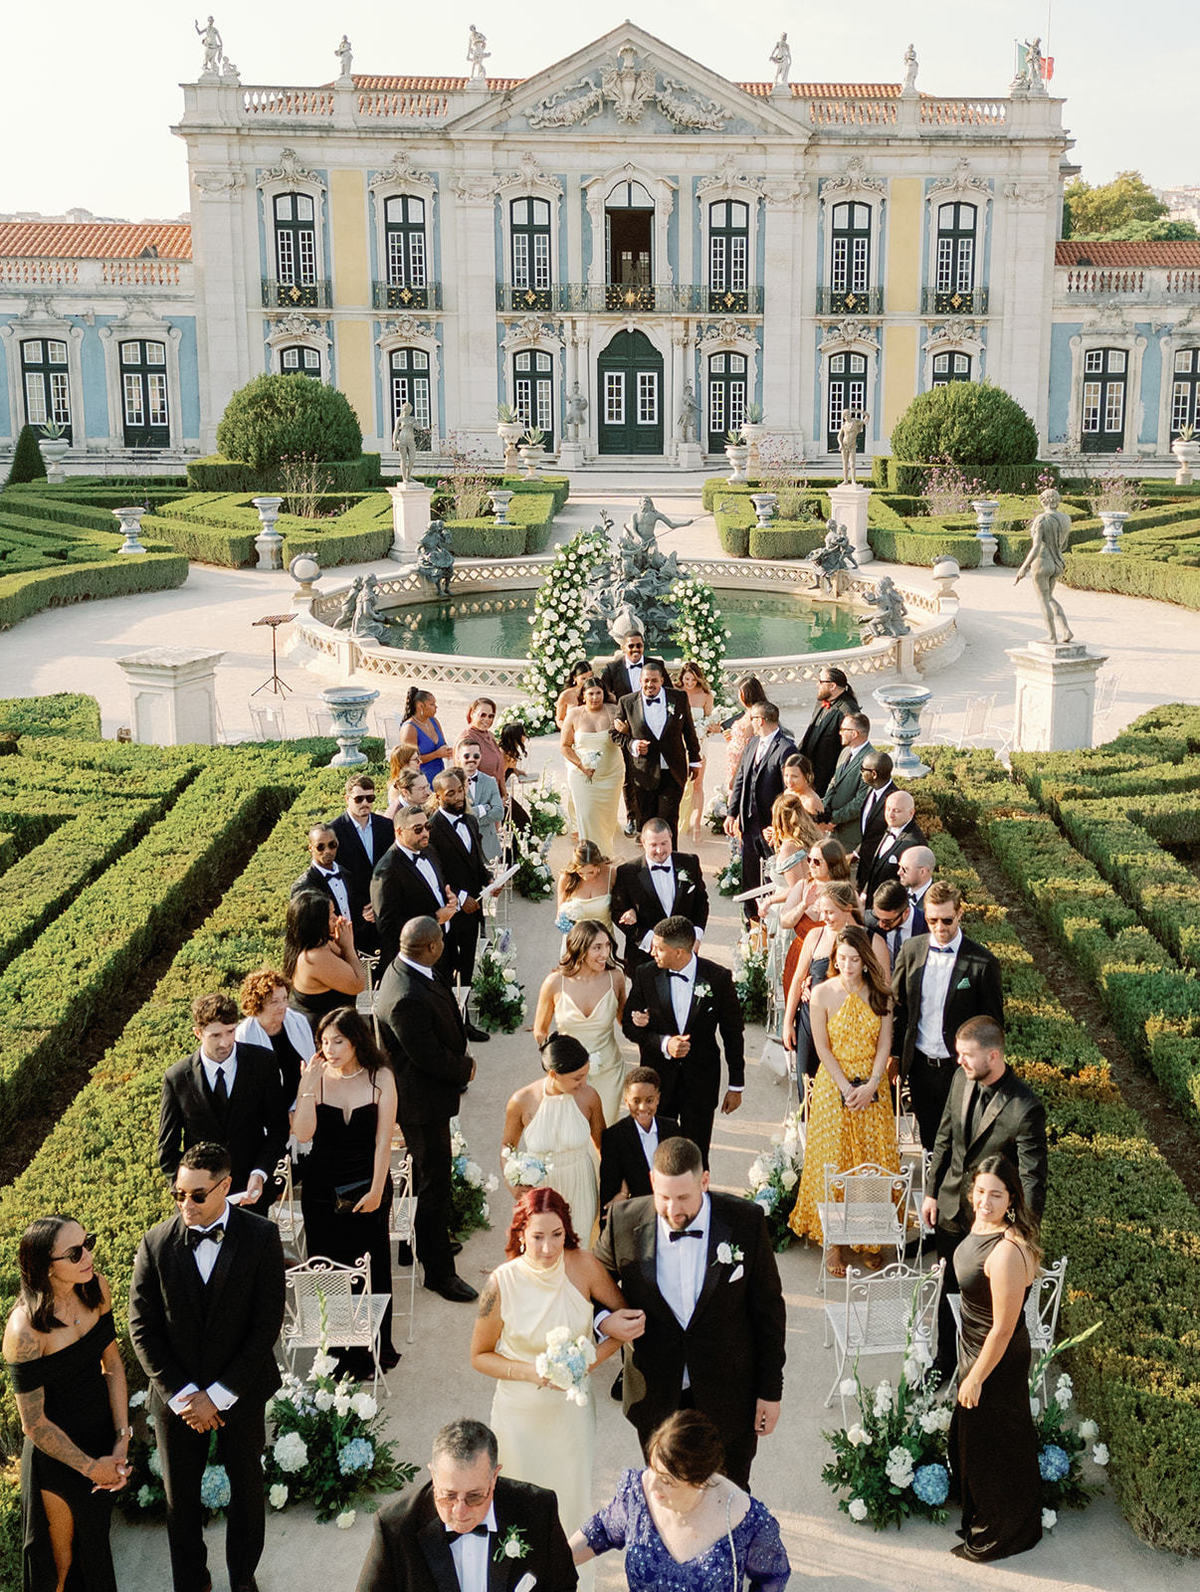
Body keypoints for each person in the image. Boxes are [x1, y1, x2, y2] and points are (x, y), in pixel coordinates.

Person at [129, 1141, 286, 1592]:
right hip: (176, 1399)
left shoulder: (261, 1237)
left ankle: (243, 1580)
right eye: (178, 1194)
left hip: (240, 1391)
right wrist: (184, 1397)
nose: (186, 1204)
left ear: (226, 1186)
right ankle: (192, 1583)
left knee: (247, 1491)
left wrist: (217, 1396)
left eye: (197, 1195)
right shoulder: (156, 1242)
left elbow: (266, 1325)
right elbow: (141, 1327)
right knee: (179, 1501)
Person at [594, 1136, 786, 1490]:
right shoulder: (623, 1222)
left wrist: (770, 1391)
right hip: (655, 1395)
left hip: (730, 1395)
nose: (673, 1210)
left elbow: (769, 1310)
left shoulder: (745, 1221)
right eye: (664, 1197)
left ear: (705, 1181)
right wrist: (604, 1321)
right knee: (668, 1497)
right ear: (652, 1182)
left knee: (729, 1496)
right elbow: (589, 1285)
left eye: (683, 1197)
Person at [470, 1189, 637, 1536]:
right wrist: (530, 1372)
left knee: (570, 1507)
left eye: (557, 1235)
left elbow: (625, 1320)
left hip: (570, 1419)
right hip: (517, 1419)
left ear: (567, 1231)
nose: (548, 1248)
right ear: (521, 1234)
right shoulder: (499, 1283)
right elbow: (479, 1356)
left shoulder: (585, 1266)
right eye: (537, 1237)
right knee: (517, 1513)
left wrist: (592, 1357)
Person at [3, 1218, 129, 1592]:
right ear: (45, 1267)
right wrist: (92, 1469)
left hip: (102, 1441)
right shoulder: (24, 1330)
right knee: (60, 1566)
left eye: (88, 1243)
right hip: (56, 1457)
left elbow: (113, 1365)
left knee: (95, 1550)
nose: (87, 1256)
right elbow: (33, 1423)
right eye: (75, 1253)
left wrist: (121, 1440)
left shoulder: (96, 1288)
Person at [922, 1017, 1048, 1381]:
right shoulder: (960, 1078)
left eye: (967, 1054)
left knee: (991, 1306)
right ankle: (944, 1362)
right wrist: (931, 1192)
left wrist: (1020, 1233)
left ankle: (984, 1374)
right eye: (958, 1053)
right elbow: (944, 1137)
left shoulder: (1025, 1107)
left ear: (993, 1056)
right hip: (951, 1208)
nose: (959, 1060)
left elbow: (1033, 1178)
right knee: (948, 1288)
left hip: (994, 1224)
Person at [374, 916, 479, 1303]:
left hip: (427, 1096)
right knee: (433, 1184)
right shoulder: (404, 995)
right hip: (420, 1102)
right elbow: (427, 1055)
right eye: (441, 943)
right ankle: (438, 1273)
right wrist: (465, 1068)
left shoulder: (411, 966)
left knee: (423, 1176)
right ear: (432, 947)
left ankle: (415, 1242)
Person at [291, 1007, 401, 1371]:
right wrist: (307, 1088)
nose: (330, 1049)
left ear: (356, 1040)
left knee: (373, 1262)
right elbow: (303, 1134)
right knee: (329, 1269)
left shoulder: (380, 1075)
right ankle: (338, 1351)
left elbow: (384, 1141)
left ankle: (375, 1348)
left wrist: (377, 1190)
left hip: (369, 1182)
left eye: (338, 1041)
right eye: (324, 1042)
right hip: (321, 1189)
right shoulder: (317, 1078)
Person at [571, 1410, 790, 1592]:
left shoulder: (748, 1522)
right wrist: (555, 1560)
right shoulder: (637, 1494)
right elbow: (602, 1530)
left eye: (667, 1480)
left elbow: (772, 1578)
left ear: (700, 1481)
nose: (652, 1486)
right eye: (652, 1468)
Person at [354, 1417, 578, 1592]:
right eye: (449, 1496)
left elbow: (563, 1585)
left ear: (494, 1477)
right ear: (433, 1475)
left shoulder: (538, 1509)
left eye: (474, 1496)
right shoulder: (396, 1526)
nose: (460, 1511)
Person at [949, 1156, 1044, 1563]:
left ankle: (1005, 1530)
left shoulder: (1006, 1251)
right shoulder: (981, 1225)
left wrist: (975, 1378)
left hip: (995, 1357)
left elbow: (1003, 1328)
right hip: (974, 1346)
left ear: (1011, 1200)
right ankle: (986, 1513)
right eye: (980, 1191)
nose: (984, 1202)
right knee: (976, 1440)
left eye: (996, 1195)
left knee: (995, 1445)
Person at [786, 927, 899, 1272]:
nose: (848, 965)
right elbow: (821, 1047)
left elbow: (884, 1045)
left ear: (865, 961)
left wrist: (872, 1085)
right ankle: (832, 1242)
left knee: (870, 1160)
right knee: (832, 1160)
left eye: (854, 959)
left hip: (872, 1088)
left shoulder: (880, 996)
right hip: (833, 1085)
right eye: (842, 958)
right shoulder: (822, 993)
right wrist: (846, 1087)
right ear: (835, 959)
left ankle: (869, 1236)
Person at [620, 916, 744, 1165]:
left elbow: (732, 1032)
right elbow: (628, 1026)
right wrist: (664, 1043)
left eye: (659, 948)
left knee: (696, 1155)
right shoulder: (645, 974)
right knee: (658, 1156)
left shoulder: (717, 978)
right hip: (658, 1083)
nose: (652, 952)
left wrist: (736, 1086)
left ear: (678, 952)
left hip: (700, 1083)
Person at [892, 882, 1005, 1149]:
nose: (940, 927)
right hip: (920, 1065)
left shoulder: (983, 962)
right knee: (930, 1141)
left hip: (960, 1068)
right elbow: (898, 1007)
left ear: (959, 913)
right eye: (932, 920)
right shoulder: (911, 950)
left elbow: (993, 1024)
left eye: (947, 920)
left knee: (962, 1142)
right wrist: (895, 1056)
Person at [157, 992, 288, 1216]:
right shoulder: (177, 1077)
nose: (225, 1042)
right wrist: (187, 1193)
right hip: (199, 1202)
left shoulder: (263, 1063)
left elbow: (279, 1128)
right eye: (215, 1035)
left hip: (252, 1195)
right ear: (198, 1033)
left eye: (230, 1031)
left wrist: (260, 1172)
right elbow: (167, 1150)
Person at [502, 1035, 604, 1245]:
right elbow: (507, 1146)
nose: (583, 1083)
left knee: (579, 1246)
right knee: (543, 1250)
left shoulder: (590, 1097)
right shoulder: (522, 1100)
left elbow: (603, 1145)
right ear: (553, 1074)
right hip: (542, 1189)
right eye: (577, 1078)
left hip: (580, 1184)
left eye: (585, 1075)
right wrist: (512, 1183)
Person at [782, 882, 887, 1080]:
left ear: (847, 909)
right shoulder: (815, 935)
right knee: (807, 1085)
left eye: (829, 912)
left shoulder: (873, 941)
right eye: (821, 912)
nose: (823, 918)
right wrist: (787, 1023)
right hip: (810, 1023)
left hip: (852, 1030)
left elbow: (884, 989)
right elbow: (797, 979)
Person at [534, 921, 629, 1129]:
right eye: (597, 947)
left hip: (608, 1071)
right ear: (580, 948)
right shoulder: (554, 982)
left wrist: (642, 1020)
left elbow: (625, 1022)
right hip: (568, 1075)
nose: (605, 954)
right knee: (572, 1132)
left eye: (608, 946)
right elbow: (540, 1030)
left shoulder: (615, 978)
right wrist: (555, 1062)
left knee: (605, 1132)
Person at [428, 769, 492, 1043]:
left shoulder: (470, 821)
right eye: (450, 793)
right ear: (438, 797)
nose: (458, 797)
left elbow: (476, 862)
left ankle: (464, 1021)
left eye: (460, 790)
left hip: (473, 910)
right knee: (446, 969)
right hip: (450, 911)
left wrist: (489, 879)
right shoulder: (432, 829)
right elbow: (436, 873)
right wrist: (461, 897)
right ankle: (450, 1025)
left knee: (466, 965)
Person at [613, 658, 701, 845]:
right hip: (644, 773)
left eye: (654, 680)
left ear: (662, 680)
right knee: (647, 822)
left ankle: (672, 857)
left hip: (673, 771)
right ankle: (650, 859)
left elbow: (689, 731)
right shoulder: (627, 702)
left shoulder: (678, 698)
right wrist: (633, 744)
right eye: (646, 681)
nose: (649, 685)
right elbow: (614, 734)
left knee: (669, 820)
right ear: (640, 681)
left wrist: (695, 760)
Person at [611, 819, 708, 975]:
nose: (659, 850)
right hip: (644, 957)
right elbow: (617, 912)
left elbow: (701, 902)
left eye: (664, 843)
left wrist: (695, 936)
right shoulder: (627, 872)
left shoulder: (690, 862)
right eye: (653, 845)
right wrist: (650, 941)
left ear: (671, 838)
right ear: (643, 843)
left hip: (683, 952)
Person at [371, 803, 459, 971]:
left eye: (427, 827)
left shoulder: (429, 850)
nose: (425, 833)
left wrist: (451, 900)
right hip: (417, 959)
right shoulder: (387, 870)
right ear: (399, 832)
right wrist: (434, 918)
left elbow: (435, 890)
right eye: (417, 829)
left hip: (443, 947)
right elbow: (387, 926)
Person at [727, 702, 795, 915]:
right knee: (749, 873)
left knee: (771, 874)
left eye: (752, 719)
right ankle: (751, 919)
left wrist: (780, 827)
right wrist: (732, 813)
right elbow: (740, 778)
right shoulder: (753, 743)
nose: (750, 723)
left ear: (760, 721)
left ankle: (769, 919)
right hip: (749, 822)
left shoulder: (786, 748)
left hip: (770, 826)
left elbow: (788, 792)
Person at [599, 1066, 680, 1216]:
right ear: (626, 1101)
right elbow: (609, 1188)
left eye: (649, 1100)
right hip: (635, 1214)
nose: (643, 1108)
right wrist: (621, 1197)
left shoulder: (672, 1128)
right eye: (636, 1101)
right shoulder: (614, 1137)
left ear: (658, 1099)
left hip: (669, 1211)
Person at [282, 889, 367, 1029]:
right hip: (321, 1030)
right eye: (330, 916)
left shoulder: (323, 943)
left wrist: (343, 944)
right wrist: (348, 947)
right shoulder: (314, 957)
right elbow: (358, 984)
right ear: (315, 922)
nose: (336, 918)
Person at [778, 836, 851, 998]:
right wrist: (803, 905)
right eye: (809, 859)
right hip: (798, 957)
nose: (810, 864)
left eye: (817, 861)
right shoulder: (803, 885)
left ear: (832, 863)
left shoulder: (845, 892)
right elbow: (784, 922)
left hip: (829, 961)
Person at [561, 675, 623, 856]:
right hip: (582, 776)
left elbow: (625, 738)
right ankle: (587, 857)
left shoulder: (614, 710)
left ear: (604, 693)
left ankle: (605, 854)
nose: (595, 697)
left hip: (611, 774)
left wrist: (625, 730)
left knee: (607, 819)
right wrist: (581, 766)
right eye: (591, 694)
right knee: (586, 815)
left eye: (598, 693)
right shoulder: (574, 714)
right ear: (583, 695)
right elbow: (565, 746)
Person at [331, 775, 394, 954]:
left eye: (370, 798)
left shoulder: (386, 826)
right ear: (347, 799)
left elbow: (393, 868)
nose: (365, 803)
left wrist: (380, 903)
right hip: (356, 917)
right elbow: (337, 876)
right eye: (359, 799)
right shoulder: (334, 831)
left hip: (386, 912)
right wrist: (362, 908)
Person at [235, 966, 314, 1106]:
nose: (283, 1006)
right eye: (274, 1001)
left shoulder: (298, 1021)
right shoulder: (243, 1035)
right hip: (267, 1110)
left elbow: (312, 1063)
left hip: (305, 1103)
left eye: (284, 999)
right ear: (257, 1005)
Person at [1014, 488, 1074, 645]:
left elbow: (1036, 546)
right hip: (1058, 562)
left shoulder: (1041, 519)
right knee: (1049, 597)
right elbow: (1064, 544)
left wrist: (1024, 567)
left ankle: (1052, 637)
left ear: (1044, 501)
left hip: (1042, 562)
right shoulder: (1066, 518)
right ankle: (1066, 630)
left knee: (1043, 600)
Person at [676, 660, 721, 843]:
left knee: (697, 784)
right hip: (678, 744)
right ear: (682, 678)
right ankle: (678, 820)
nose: (689, 683)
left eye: (693, 680)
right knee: (678, 782)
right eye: (687, 679)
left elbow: (710, 722)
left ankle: (696, 825)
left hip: (700, 744)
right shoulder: (676, 692)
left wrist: (709, 728)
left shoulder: (706, 696)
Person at [798, 667, 860, 797]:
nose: (817, 684)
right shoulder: (822, 701)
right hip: (809, 772)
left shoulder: (848, 711)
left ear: (832, 686)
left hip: (826, 780)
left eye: (821, 681)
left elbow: (849, 751)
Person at [858, 789, 927, 904]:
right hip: (872, 901)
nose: (890, 815)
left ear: (911, 813)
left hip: (890, 905)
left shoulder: (914, 843)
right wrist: (865, 892)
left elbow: (910, 884)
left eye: (896, 811)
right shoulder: (891, 827)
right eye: (888, 809)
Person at [818, 712, 873, 852]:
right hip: (833, 831)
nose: (840, 732)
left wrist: (834, 819)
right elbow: (834, 782)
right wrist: (825, 811)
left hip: (850, 835)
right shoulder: (845, 752)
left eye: (843, 729)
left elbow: (860, 801)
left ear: (854, 734)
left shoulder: (870, 760)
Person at [453, 736, 505, 863]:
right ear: (458, 757)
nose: (471, 759)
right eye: (466, 756)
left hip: (489, 848)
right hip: (464, 849)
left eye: (476, 756)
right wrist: (483, 809)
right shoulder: (451, 783)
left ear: (481, 757)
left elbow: (499, 812)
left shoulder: (490, 781)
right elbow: (456, 816)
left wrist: (471, 818)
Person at [556, 840, 615, 943]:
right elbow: (560, 912)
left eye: (591, 872)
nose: (586, 877)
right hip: (577, 941)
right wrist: (563, 921)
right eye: (580, 873)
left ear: (598, 864)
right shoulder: (566, 878)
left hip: (604, 942)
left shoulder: (611, 874)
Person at [853, 750, 897, 887]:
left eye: (863, 770)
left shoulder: (894, 801)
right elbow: (869, 834)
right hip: (864, 867)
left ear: (874, 774)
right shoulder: (871, 790)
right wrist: (857, 853)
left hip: (879, 874)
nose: (861, 773)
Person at [397, 688, 451, 780]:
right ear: (420, 706)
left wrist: (448, 751)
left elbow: (443, 745)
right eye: (432, 704)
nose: (436, 707)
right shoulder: (409, 728)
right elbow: (408, 760)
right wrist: (436, 754)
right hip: (420, 780)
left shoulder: (434, 721)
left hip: (439, 778)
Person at [724, 675, 767, 787]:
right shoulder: (751, 713)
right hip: (735, 763)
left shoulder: (753, 718)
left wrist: (735, 778)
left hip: (742, 767)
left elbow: (747, 749)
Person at [780, 751, 825, 823]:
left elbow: (817, 829)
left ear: (806, 776)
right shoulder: (787, 792)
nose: (789, 781)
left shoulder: (811, 802)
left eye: (794, 776)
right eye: (786, 775)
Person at [898, 844, 936, 922]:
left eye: (905, 869)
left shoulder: (937, 902)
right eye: (899, 867)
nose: (899, 872)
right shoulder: (896, 891)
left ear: (922, 872)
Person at [383, 745, 422, 818]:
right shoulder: (396, 789)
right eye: (416, 760)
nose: (420, 762)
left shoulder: (416, 780)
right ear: (404, 763)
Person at [555, 658, 595, 727]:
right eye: (583, 679)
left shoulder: (597, 692)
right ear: (575, 678)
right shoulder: (565, 695)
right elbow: (560, 719)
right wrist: (568, 729)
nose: (587, 682)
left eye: (590, 678)